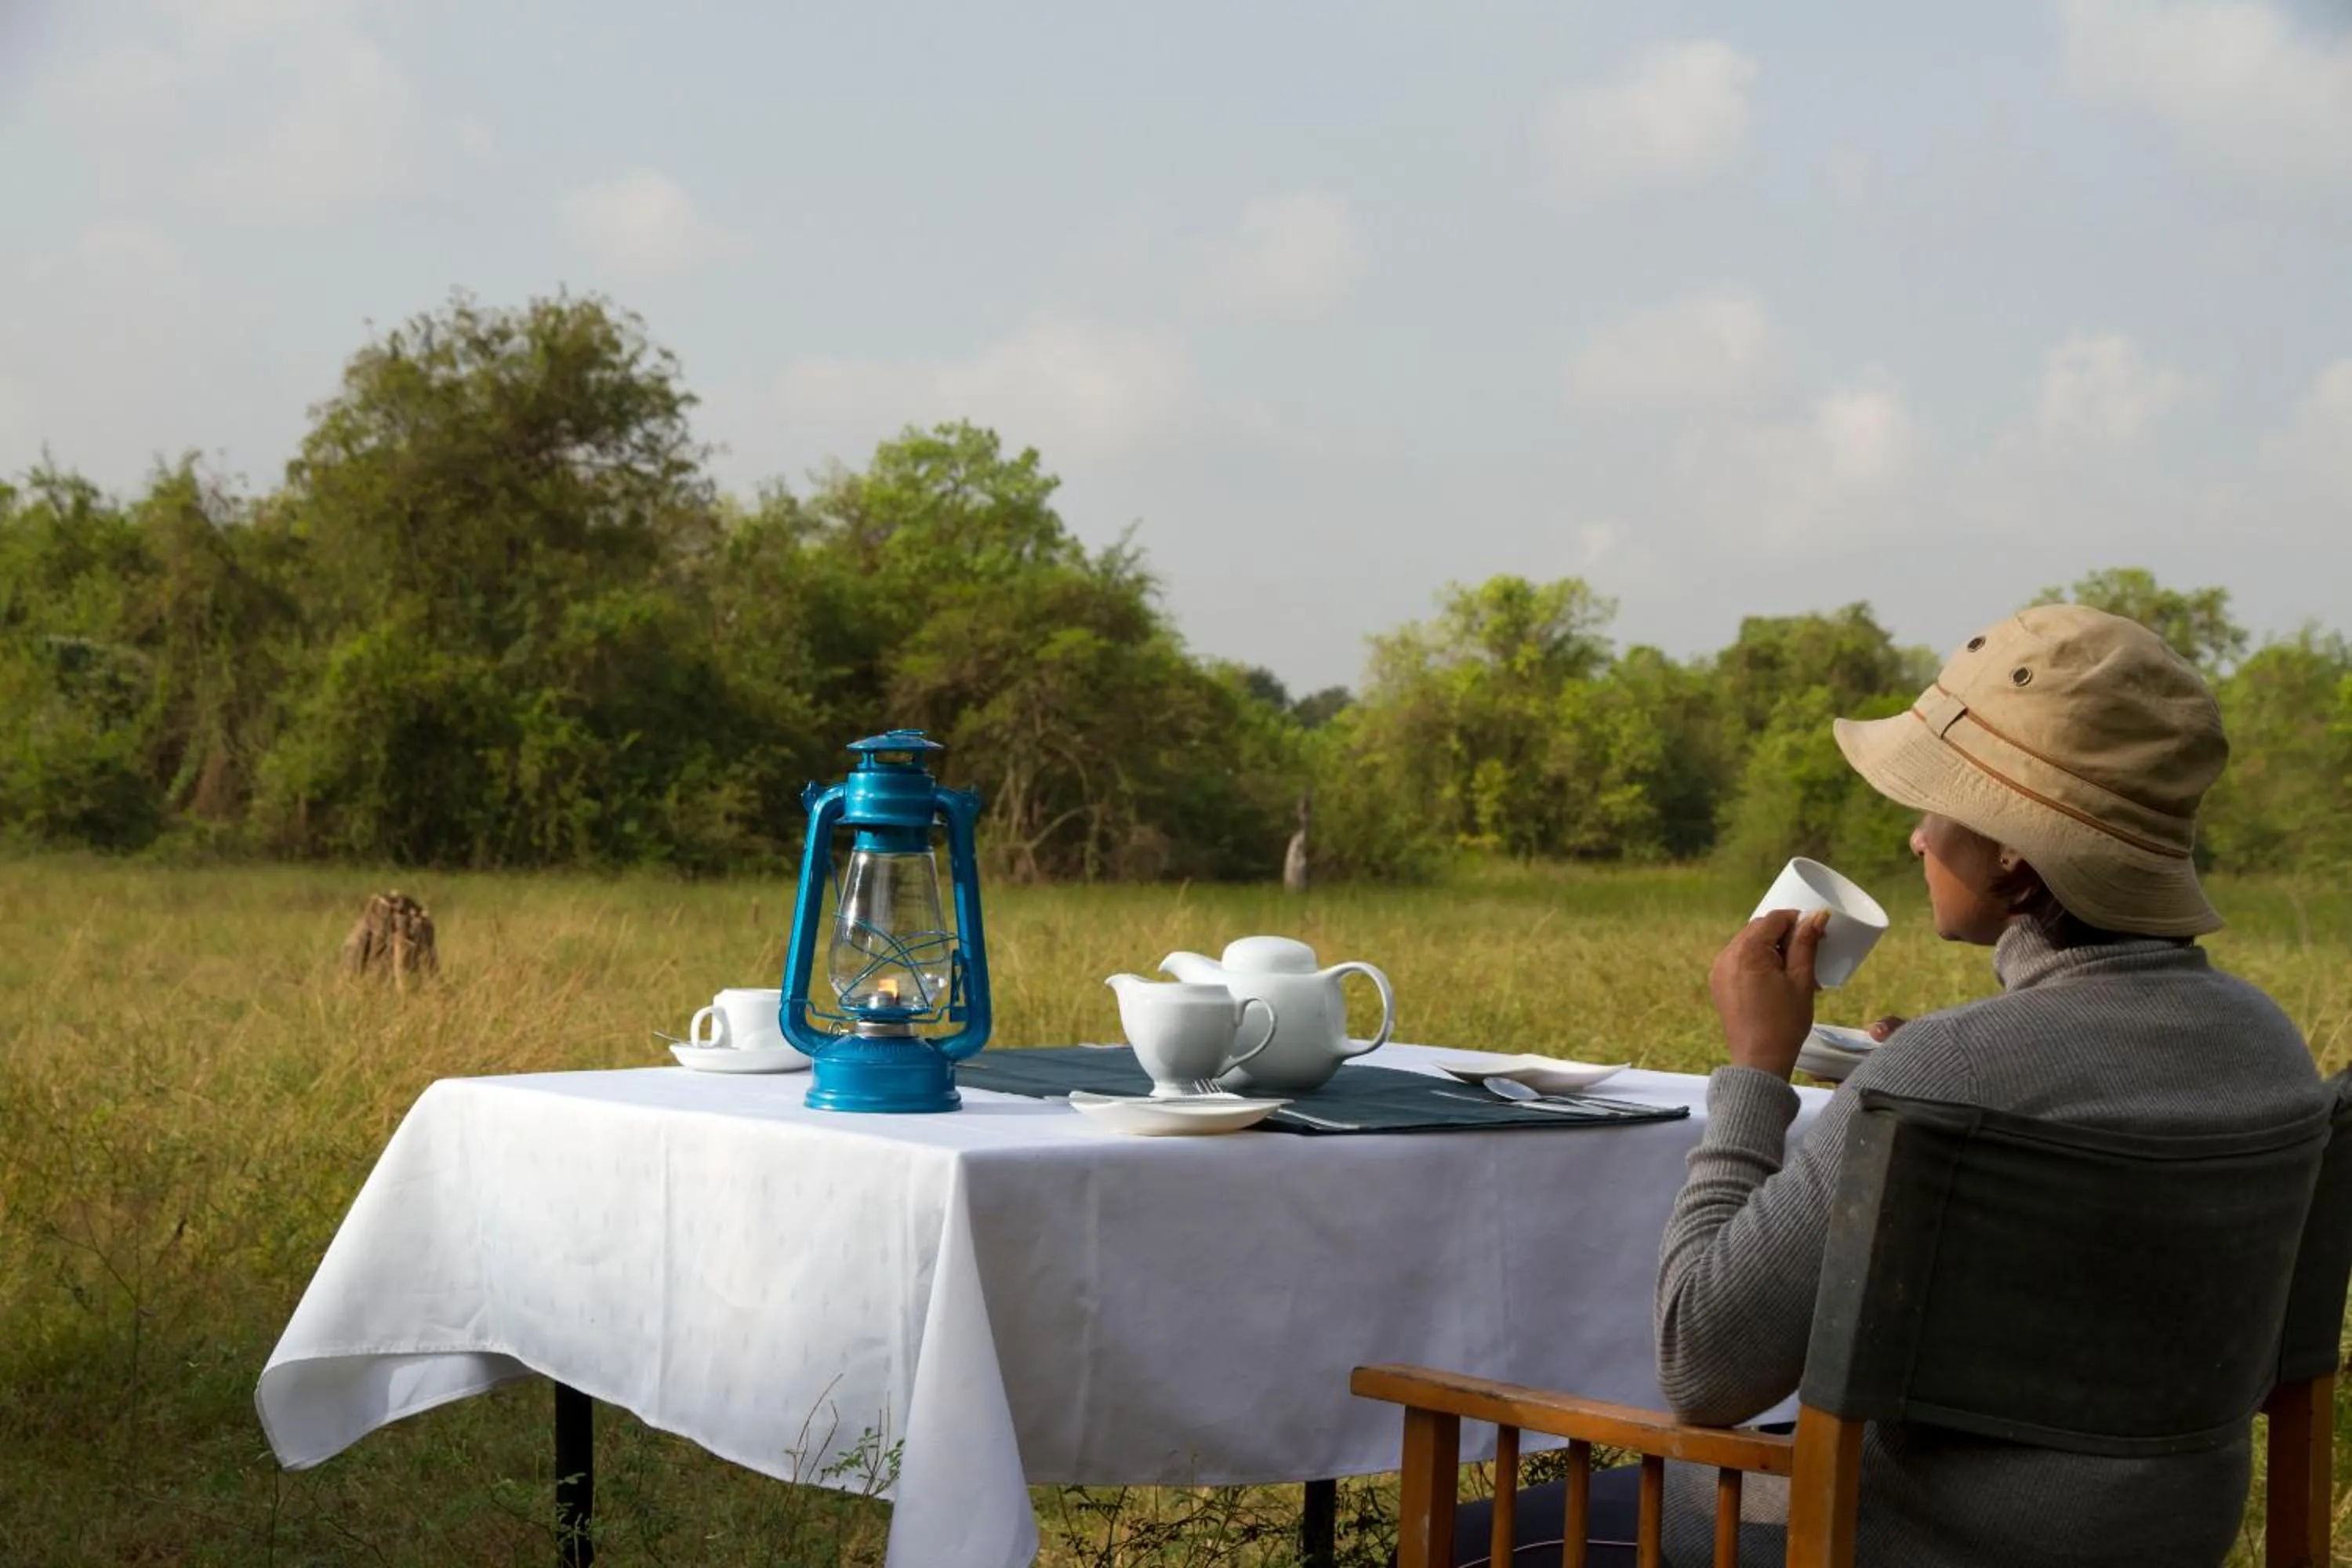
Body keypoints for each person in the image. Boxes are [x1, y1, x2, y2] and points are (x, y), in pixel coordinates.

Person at [1457, 604, 2325, 1567]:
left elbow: (1701, 1367)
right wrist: (1946, 1058)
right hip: (2158, 1541)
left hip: (1902, 1540)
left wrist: (1755, 1065)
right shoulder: (2271, 1043)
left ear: (2011, 848)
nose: (1917, 837)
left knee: (1470, 1535)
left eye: (1938, 802)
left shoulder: (1945, 1069)